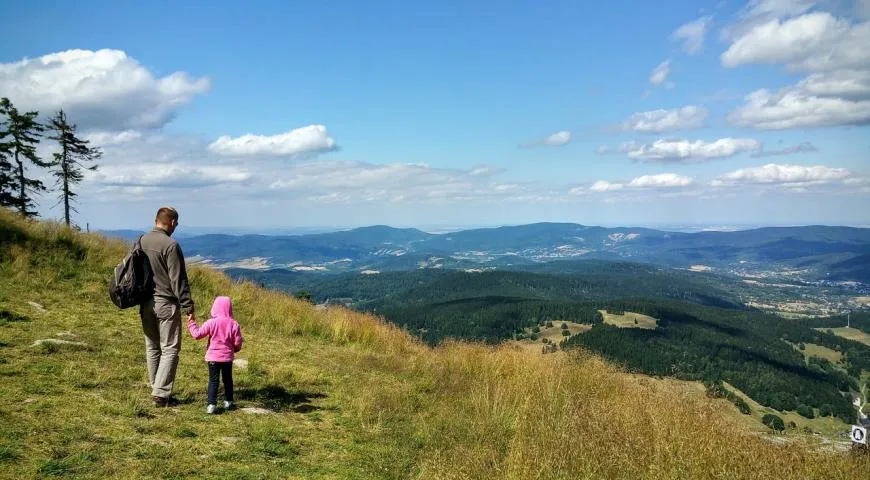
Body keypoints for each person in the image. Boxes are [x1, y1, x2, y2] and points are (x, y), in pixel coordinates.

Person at [139, 206, 196, 407]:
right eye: (176, 224)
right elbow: (178, 279)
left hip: (145, 303)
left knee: (152, 347)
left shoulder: (141, 241)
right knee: (170, 348)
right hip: (166, 304)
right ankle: (161, 394)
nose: (176, 227)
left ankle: (157, 388)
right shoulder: (170, 245)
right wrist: (188, 305)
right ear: (171, 222)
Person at [187, 296, 244, 414]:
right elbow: (237, 342)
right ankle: (228, 401)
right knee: (228, 379)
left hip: (213, 358)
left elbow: (197, 335)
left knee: (213, 380)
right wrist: (235, 349)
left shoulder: (211, 323)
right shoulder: (234, 324)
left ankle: (211, 405)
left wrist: (191, 322)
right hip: (227, 358)